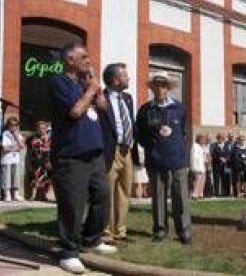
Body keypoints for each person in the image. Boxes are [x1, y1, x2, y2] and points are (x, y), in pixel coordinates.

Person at [50, 42, 116, 274]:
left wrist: (95, 88)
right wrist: (91, 89)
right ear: (70, 60)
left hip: (94, 153)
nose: (89, 60)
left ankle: (92, 238)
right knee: (73, 205)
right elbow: (76, 112)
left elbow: (102, 107)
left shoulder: (83, 83)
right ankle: (68, 252)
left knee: (103, 197)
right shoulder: (59, 82)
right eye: (84, 57)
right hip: (72, 155)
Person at [136, 70, 191, 244]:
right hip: (156, 159)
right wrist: (151, 148)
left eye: (164, 85)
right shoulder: (145, 110)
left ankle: (183, 231)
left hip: (177, 160)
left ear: (168, 88)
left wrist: (182, 152)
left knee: (180, 196)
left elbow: (184, 132)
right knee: (158, 197)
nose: (160, 88)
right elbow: (141, 134)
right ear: (152, 87)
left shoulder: (180, 108)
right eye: (157, 85)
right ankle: (160, 229)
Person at [98, 63, 135, 243]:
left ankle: (120, 230)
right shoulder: (101, 98)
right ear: (115, 80)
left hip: (127, 149)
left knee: (125, 190)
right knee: (108, 191)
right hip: (110, 150)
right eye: (125, 75)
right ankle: (105, 230)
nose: (128, 78)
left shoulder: (127, 98)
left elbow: (129, 121)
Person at [0, 116, 25, 201]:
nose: (13, 127)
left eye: (15, 125)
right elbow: (4, 148)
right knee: (6, 177)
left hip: (15, 159)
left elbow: (22, 146)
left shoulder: (18, 134)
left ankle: (16, 194)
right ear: (8, 125)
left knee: (16, 177)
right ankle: (7, 194)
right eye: (12, 125)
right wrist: (15, 147)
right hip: (6, 159)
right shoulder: (5, 133)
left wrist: (16, 137)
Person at [29, 121, 52, 201]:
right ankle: (34, 195)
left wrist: (46, 149)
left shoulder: (49, 138)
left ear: (46, 129)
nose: (41, 130)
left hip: (47, 161)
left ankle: (43, 195)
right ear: (37, 129)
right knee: (36, 177)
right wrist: (45, 149)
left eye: (43, 128)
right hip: (37, 161)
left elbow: (51, 148)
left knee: (46, 178)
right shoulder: (35, 138)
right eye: (40, 129)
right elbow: (35, 149)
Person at [190, 134, 206, 199]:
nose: (203, 141)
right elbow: (195, 157)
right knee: (197, 180)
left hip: (202, 167)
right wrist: (196, 168)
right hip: (197, 167)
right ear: (199, 139)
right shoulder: (195, 146)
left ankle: (200, 193)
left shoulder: (201, 146)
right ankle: (194, 194)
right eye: (202, 139)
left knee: (202, 180)